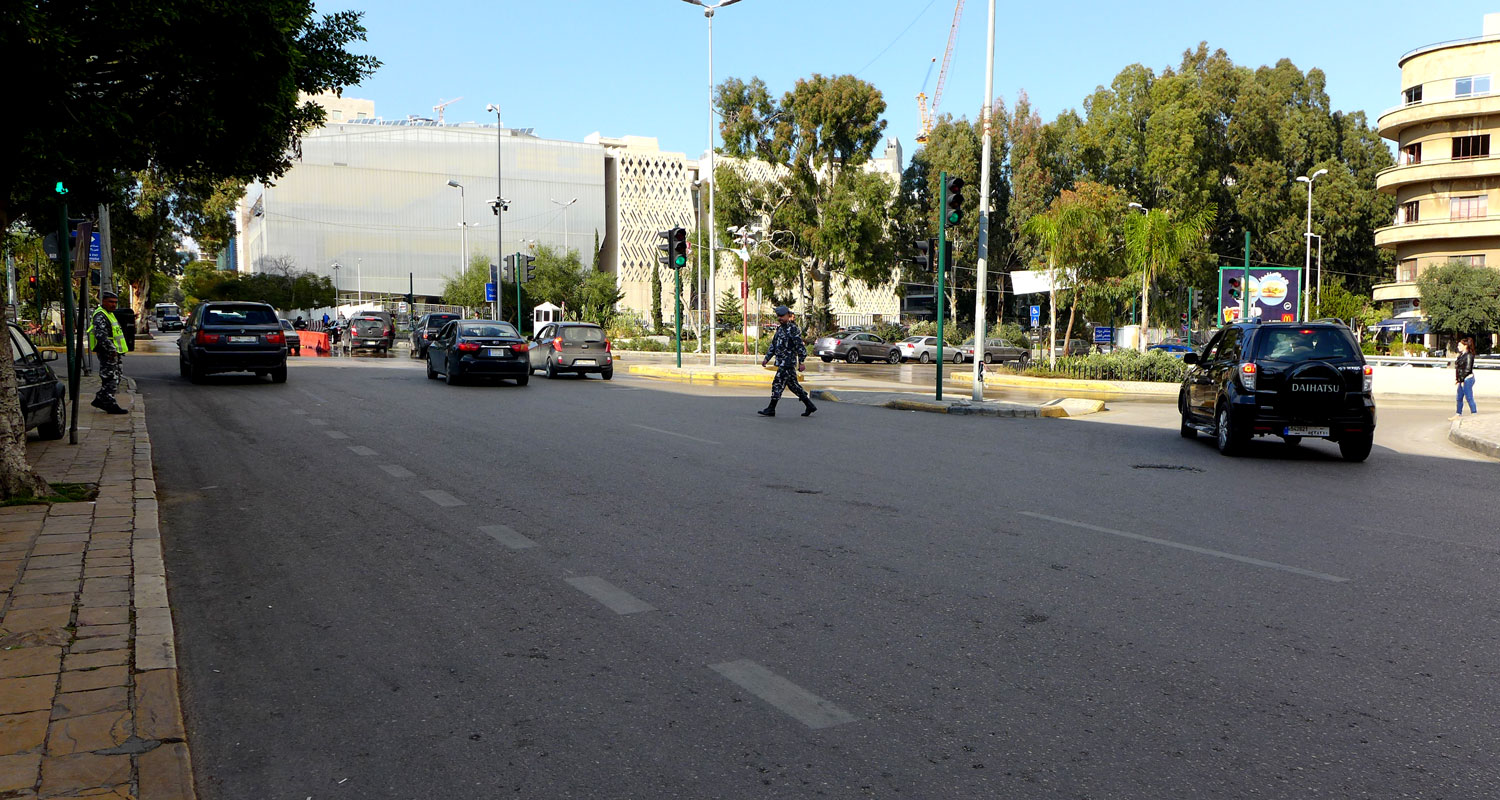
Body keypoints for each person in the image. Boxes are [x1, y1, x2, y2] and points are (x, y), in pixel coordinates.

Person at [758, 306, 816, 418]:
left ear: (788, 316)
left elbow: (800, 346)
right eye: (778, 316)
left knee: (777, 383)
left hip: (788, 362)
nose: (780, 318)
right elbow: (774, 345)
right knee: (793, 386)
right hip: (781, 362)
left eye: (782, 316)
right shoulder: (780, 329)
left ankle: (771, 408)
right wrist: (767, 358)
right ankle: (809, 405)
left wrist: (802, 362)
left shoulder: (793, 329)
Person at [86, 290, 129, 414]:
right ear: (103, 301)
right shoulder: (100, 315)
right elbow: (101, 335)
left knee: (115, 377)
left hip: (114, 352)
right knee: (110, 378)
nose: (114, 305)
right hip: (108, 352)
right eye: (111, 302)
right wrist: (111, 350)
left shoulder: (109, 314)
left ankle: (101, 398)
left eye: (115, 302)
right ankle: (108, 402)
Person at [1456, 337, 1477, 416]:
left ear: (1465, 346)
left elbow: (1468, 369)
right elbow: (1459, 368)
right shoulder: (1461, 355)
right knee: (1459, 397)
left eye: (1460, 345)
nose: (1458, 347)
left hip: (1467, 379)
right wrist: (1458, 379)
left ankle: (1474, 413)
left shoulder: (1469, 355)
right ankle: (1458, 413)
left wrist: (1462, 380)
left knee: (1469, 397)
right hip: (1462, 379)